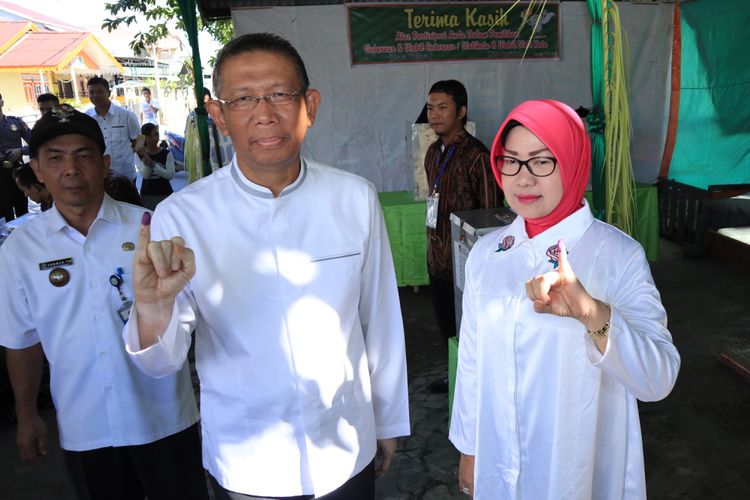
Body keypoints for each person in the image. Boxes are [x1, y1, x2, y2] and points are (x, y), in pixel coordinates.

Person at [124, 32, 410, 499]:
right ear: (218, 115)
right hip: (248, 461)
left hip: (345, 445)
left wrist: (388, 418)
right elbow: (162, 363)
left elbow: (379, 319)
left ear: (310, 105)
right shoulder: (183, 215)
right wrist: (153, 309)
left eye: (280, 94)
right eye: (243, 99)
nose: (264, 113)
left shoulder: (354, 197)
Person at [449, 100, 681, 499]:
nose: (522, 179)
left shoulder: (616, 256)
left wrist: (592, 313)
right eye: (511, 161)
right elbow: (472, 359)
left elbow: (658, 379)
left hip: (580, 470)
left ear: (573, 163)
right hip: (498, 463)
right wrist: (469, 449)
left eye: (542, 162)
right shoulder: (487, 255)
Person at [0, 105, 209, 500]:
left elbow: (187, 319)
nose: (71, 169)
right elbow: (22, 340)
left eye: (83, 155)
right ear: (38, 171)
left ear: (105, 163)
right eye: (55, 158)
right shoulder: (20, 249)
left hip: (165, 418)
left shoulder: (151, 227)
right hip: (86, 427)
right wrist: (27, 414)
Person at [423, 80, 504, 393]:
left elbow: (491, 215)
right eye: (431, 108)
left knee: (471, 326)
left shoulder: (477, 155)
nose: (434, 114)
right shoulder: (433, 153)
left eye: (443, 107)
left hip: (468, 263)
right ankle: (454, 374)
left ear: (461, 111)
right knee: (447, 326)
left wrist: (485, 266)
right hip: (438, 258)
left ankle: (478, 383)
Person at [85, 76, 141, 182]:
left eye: (100, 92)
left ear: (109, 93)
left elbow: (138, 143)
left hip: (125, 174)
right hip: (98, 175)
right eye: (91, 92)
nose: (95, 95)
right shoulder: (86, 118)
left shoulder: (127, 115)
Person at [0, 92, 31, 221]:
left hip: (17, 172)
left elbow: (36, 144)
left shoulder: (16, 122)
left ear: (2, 102)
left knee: (22, 210)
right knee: (3, 213)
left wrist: (20, 150)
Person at [134, 123, 174, 209]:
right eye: (150, 136)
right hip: (147, 196)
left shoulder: (166, 153)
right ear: (144, 138)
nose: (154, 138)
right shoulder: (138, 155)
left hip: (165, 195)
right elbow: (146, 175)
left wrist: (152, 164)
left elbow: (170, 175)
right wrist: (145, 156)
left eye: (156, 134)